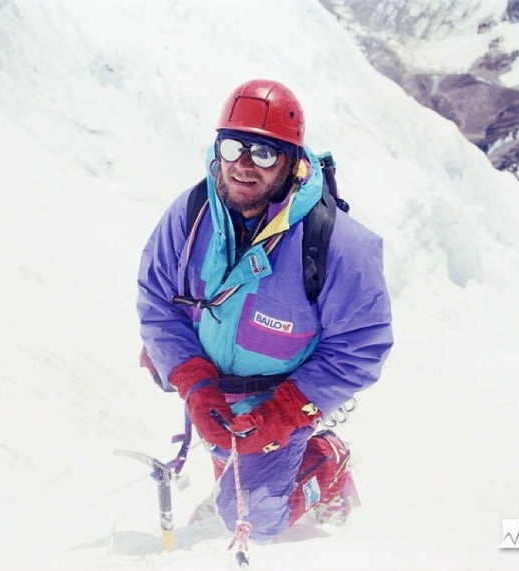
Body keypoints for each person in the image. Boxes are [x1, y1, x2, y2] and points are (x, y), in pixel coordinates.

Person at [136, 78, 393, 540]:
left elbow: (362, 345)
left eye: (264, 153)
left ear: (291, 162)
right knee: (230, 490)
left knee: (250, 527)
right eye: (233, 147)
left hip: (283, 398)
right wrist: (192, 380)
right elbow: (157, 300)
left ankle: (323, 461)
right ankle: (241, 489)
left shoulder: (337, 244)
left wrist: (288, 410)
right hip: (214, 390)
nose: (244, 165)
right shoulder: (192, 213)